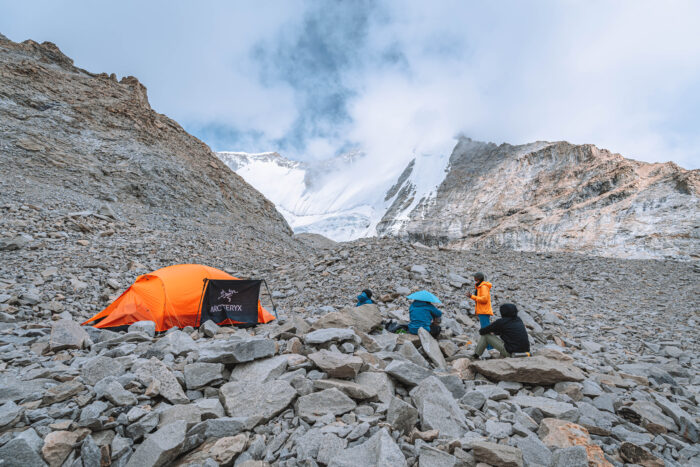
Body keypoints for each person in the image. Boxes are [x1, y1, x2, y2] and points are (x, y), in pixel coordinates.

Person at [468, 272, 493, 348]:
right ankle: (489, 346)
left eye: (475, 277)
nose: (474, 278)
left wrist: (472, 296)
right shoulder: (480, 286)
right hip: (482, 311)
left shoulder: (483, 287)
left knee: (485, 330)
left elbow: (484, 299)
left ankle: (490, 347)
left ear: (477, 278)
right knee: (485, 329)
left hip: (484, 311)